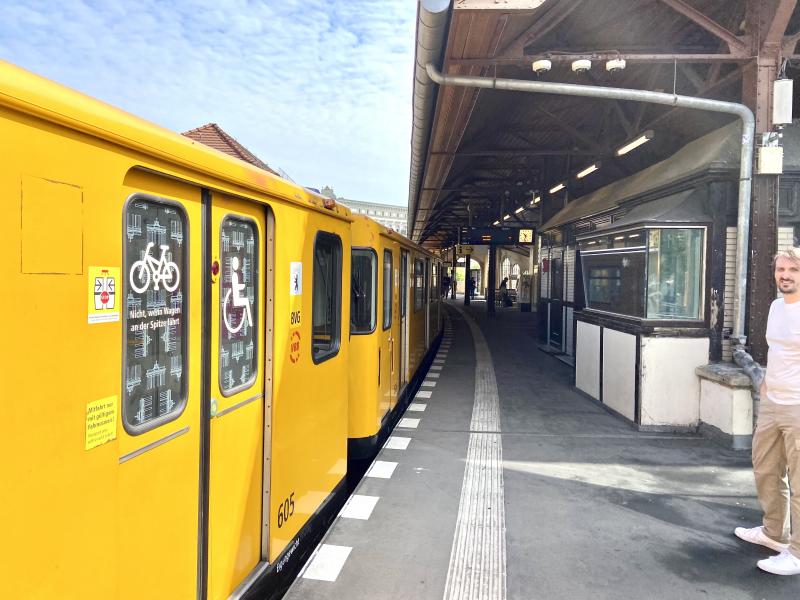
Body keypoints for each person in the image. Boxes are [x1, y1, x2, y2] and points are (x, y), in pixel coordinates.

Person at [735, 247, 800, 576]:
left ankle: (798, 554)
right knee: (766, 470)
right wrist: (764, 382)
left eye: (793, 270)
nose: (785, 275)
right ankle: (774, 533)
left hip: (799, 406)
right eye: (781, 269)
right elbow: (778, 352)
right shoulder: (777, 307)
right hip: (773, 401)